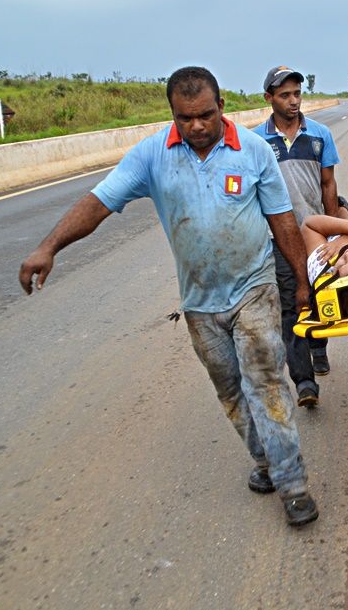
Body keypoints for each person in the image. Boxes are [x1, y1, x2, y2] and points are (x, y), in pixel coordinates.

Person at [18, 66, 319, 527]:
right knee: (231, 390)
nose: (196, 126)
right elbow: (100, 202)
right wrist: (48, 246)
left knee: (266, 382)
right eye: (185, 118)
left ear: (221, 106)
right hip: (199, 301)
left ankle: (292, 482)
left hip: (254, 288)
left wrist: (301, 282)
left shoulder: (254, 151)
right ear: (172, 115)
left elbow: (282, 221)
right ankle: (264, 459)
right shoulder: (152, 155)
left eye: (205, 115)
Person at [253, 66, 342, 405]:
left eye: (297, 94)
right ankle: (304, 382)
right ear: (269, 99)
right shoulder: (258, 142)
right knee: (292, 305)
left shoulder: (319, 135)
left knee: (320, 295)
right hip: (278, 238)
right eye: (285, 95)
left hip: (316, 232)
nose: (293, 101)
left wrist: (334, 231)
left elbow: (328, 184)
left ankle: (319, 347)